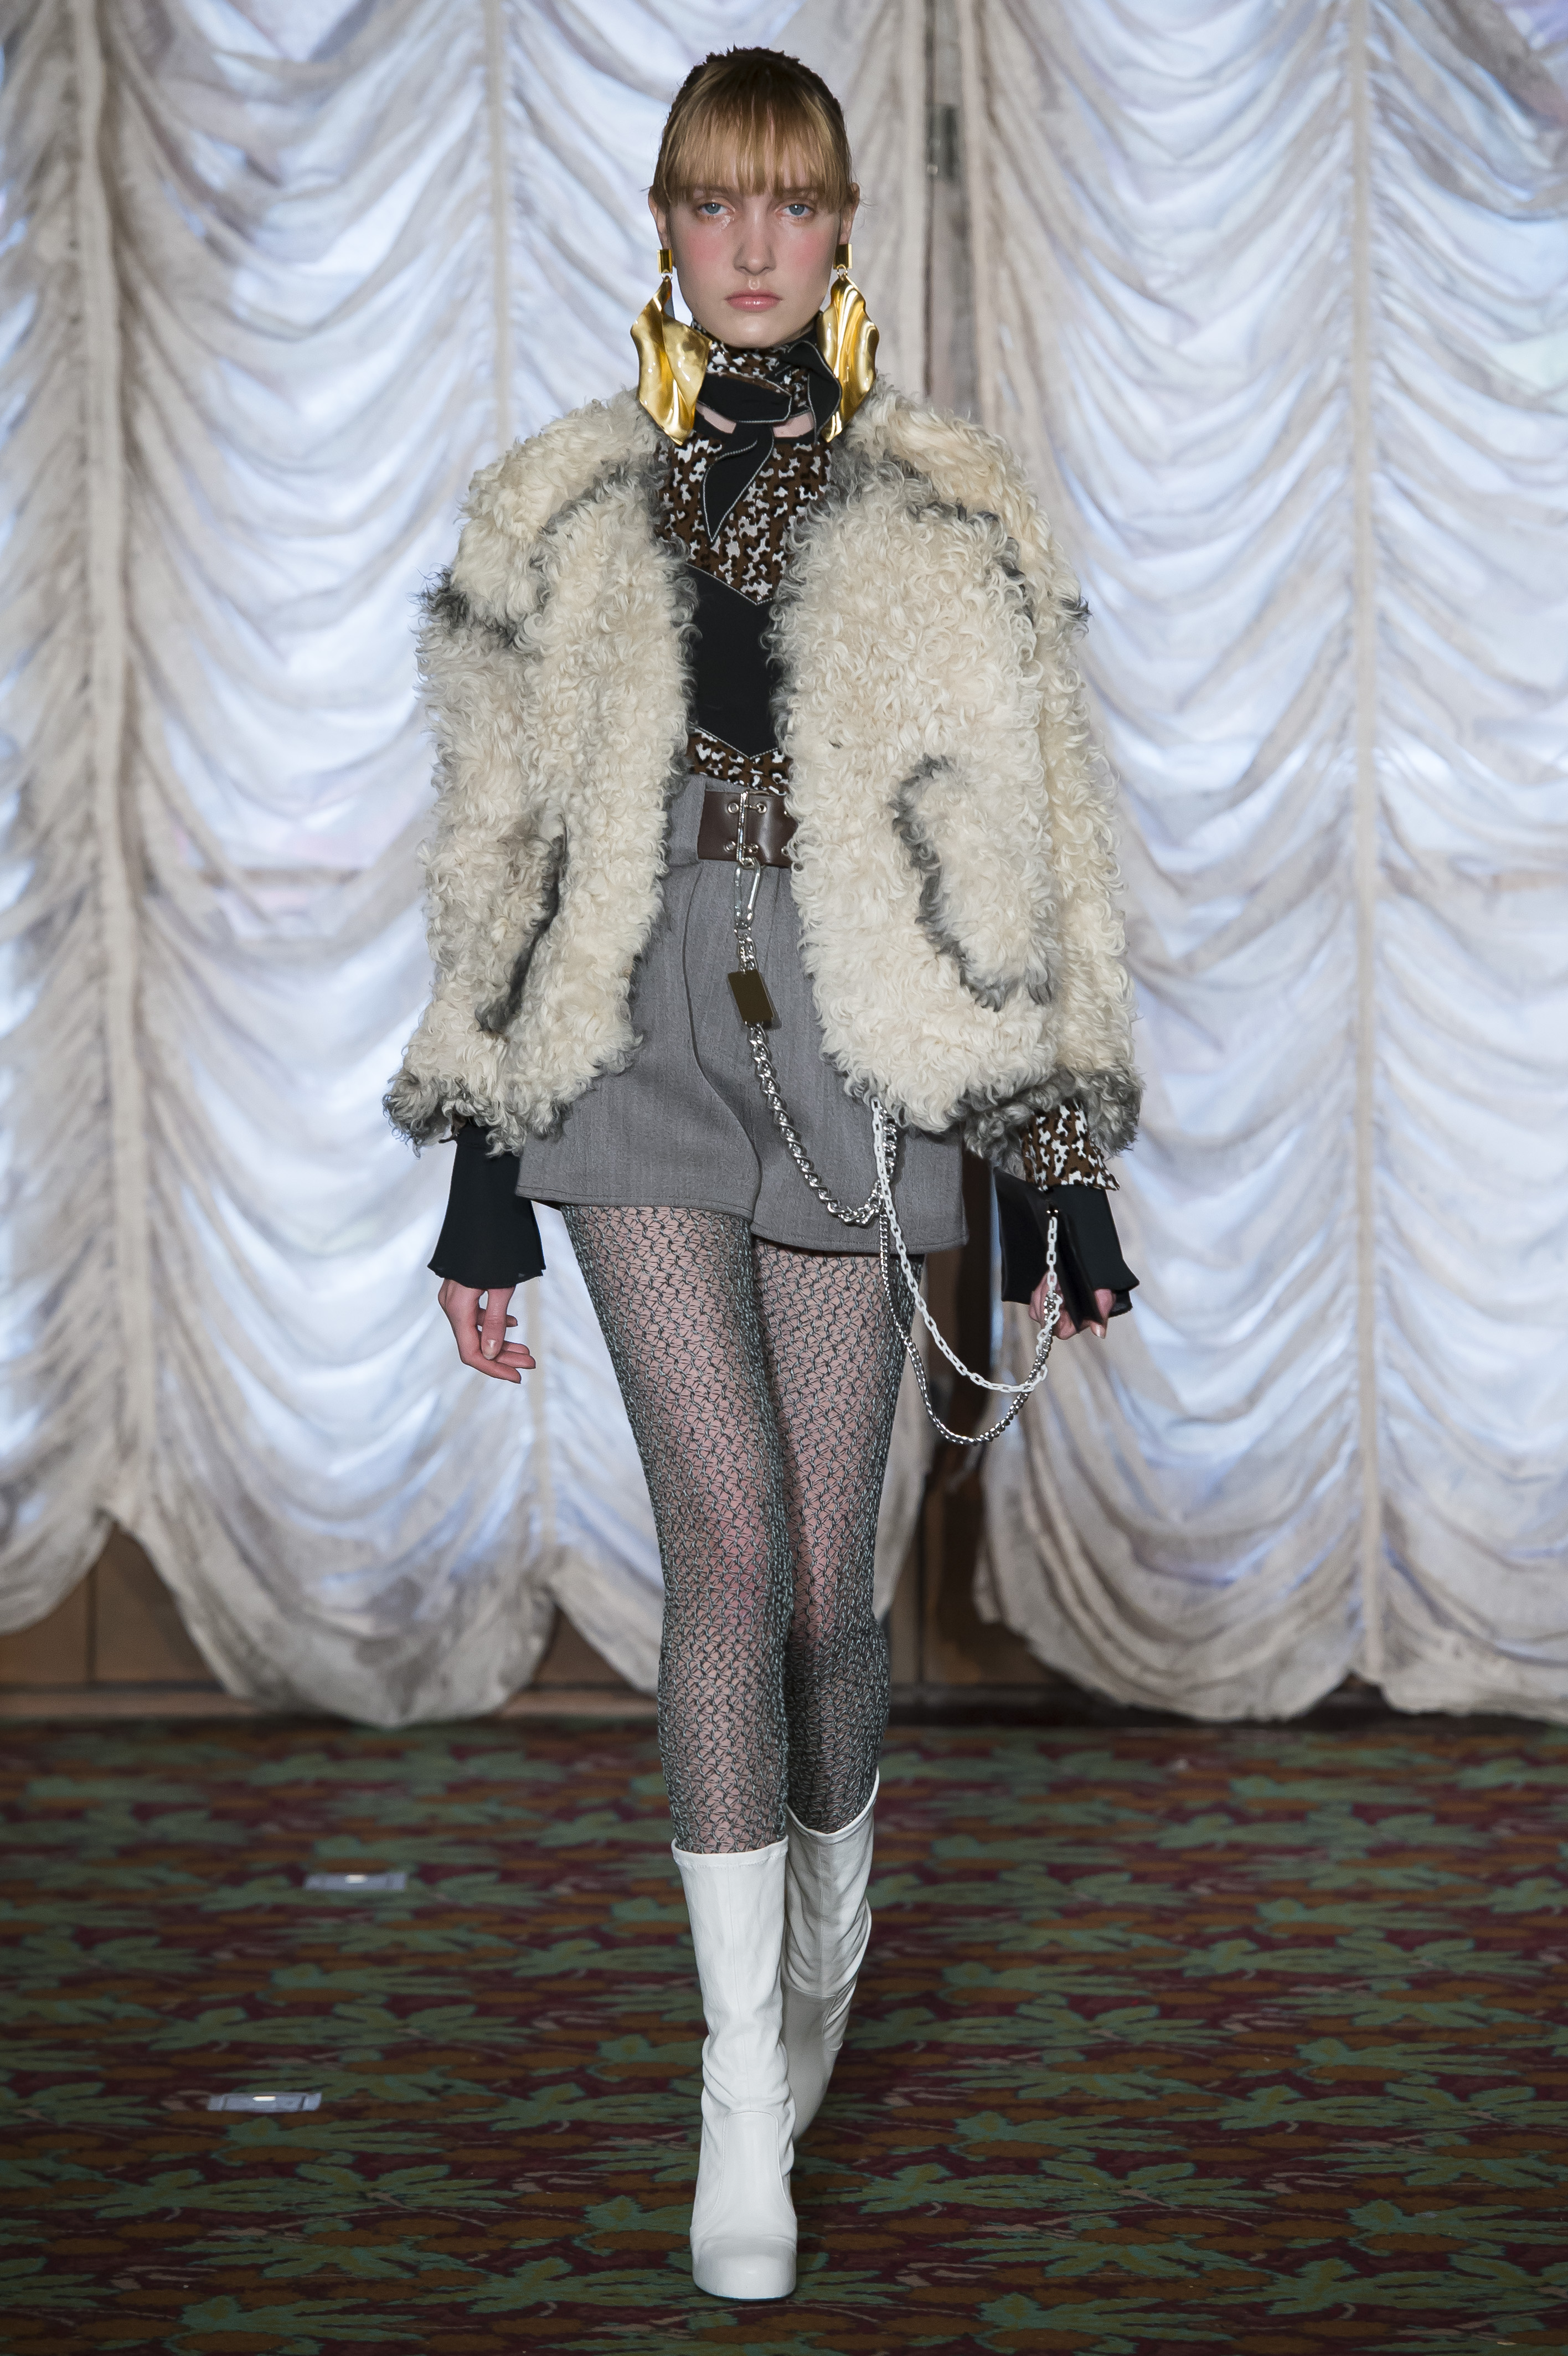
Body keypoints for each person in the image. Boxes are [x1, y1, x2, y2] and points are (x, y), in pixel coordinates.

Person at [386, 47, 1139, 2303]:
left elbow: (1035, 857)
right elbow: (501, 851)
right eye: (713, 201)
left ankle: (830, 1928)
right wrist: (481, 1176)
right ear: (662, 222)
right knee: (720, 1542)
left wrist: (1062, 1172)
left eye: (790, 202)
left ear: (839, 233)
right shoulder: (554, 510)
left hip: (861, 1031)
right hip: (632, 1023)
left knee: (827, 1574)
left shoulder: (952, 506)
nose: (750, 243)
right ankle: (739, 2090)